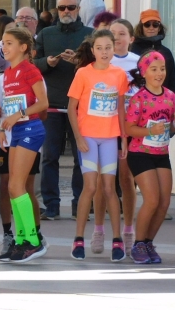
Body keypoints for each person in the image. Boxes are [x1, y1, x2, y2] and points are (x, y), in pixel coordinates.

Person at [67, 30, 128, 262]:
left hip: (110, 137)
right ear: (92, 51)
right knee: (90, 187)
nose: (104, 52)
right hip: (89, 138)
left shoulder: (119, 74)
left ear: (114, 49)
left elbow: (121, 108)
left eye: (108, 47)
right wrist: (78, 137)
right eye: (100, 48)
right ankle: (78, 239)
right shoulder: (83, 73)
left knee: (110, 188)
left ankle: (117, 239)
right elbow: (72, 108)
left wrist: (123, 137)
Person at [35, 0, 93, 220]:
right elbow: (34, 62)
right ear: (56, 10)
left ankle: (80, 203)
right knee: (49, 156)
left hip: (80, 105)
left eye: (71, 8)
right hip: (53, 103)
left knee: (81, 157)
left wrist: (80, 62)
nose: (66, 12)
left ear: (78, 9)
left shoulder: (90, 34)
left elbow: (99, 65)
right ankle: (52, 205)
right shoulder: (46, 33)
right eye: (62, 8)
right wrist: (47, 62)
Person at [0, 27, 49, 263]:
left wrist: (20, 114)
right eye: (3, 44)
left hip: (31, 129)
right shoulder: (7, 73)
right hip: (15, 131)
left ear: (23, 47)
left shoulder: (30, 70)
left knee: (18, 186)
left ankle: (33, 241)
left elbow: (43, 103)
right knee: (12, 187)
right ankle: (20, 240)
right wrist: (1, 127)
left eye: (8, 43)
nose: (4, 48)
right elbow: (8, 106)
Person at [125, 51, 175, 264]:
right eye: (154, 69)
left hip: (161, 153)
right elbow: (128, 128)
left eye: (163, 69)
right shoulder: (139, 98)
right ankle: (138, 243)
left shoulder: (170, 96)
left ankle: (148, 242)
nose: (159, 73)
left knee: (164, 202)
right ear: (144, 72)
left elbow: (170, 131)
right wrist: (149, 132)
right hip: (140, 153)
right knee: (152, 199)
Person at [92, 19, 139, 255]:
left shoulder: (138, 62)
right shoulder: (100, 62)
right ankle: (99, 229)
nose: (117, 38)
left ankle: (129, 229)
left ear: (131, 38)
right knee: (103, 180)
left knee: (126, 178)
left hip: (129, 128)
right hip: (105, 127)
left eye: (122, 33)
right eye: (113, 34)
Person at [129, 9, 175, 94]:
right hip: (138, 99)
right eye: (147, 24)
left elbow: (172, 81)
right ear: (141, 27)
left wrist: (173, 104)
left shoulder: (166, 52)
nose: (151, 28)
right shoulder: (132, 49)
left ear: (159, 28)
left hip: (162, 101)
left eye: (155, 24)